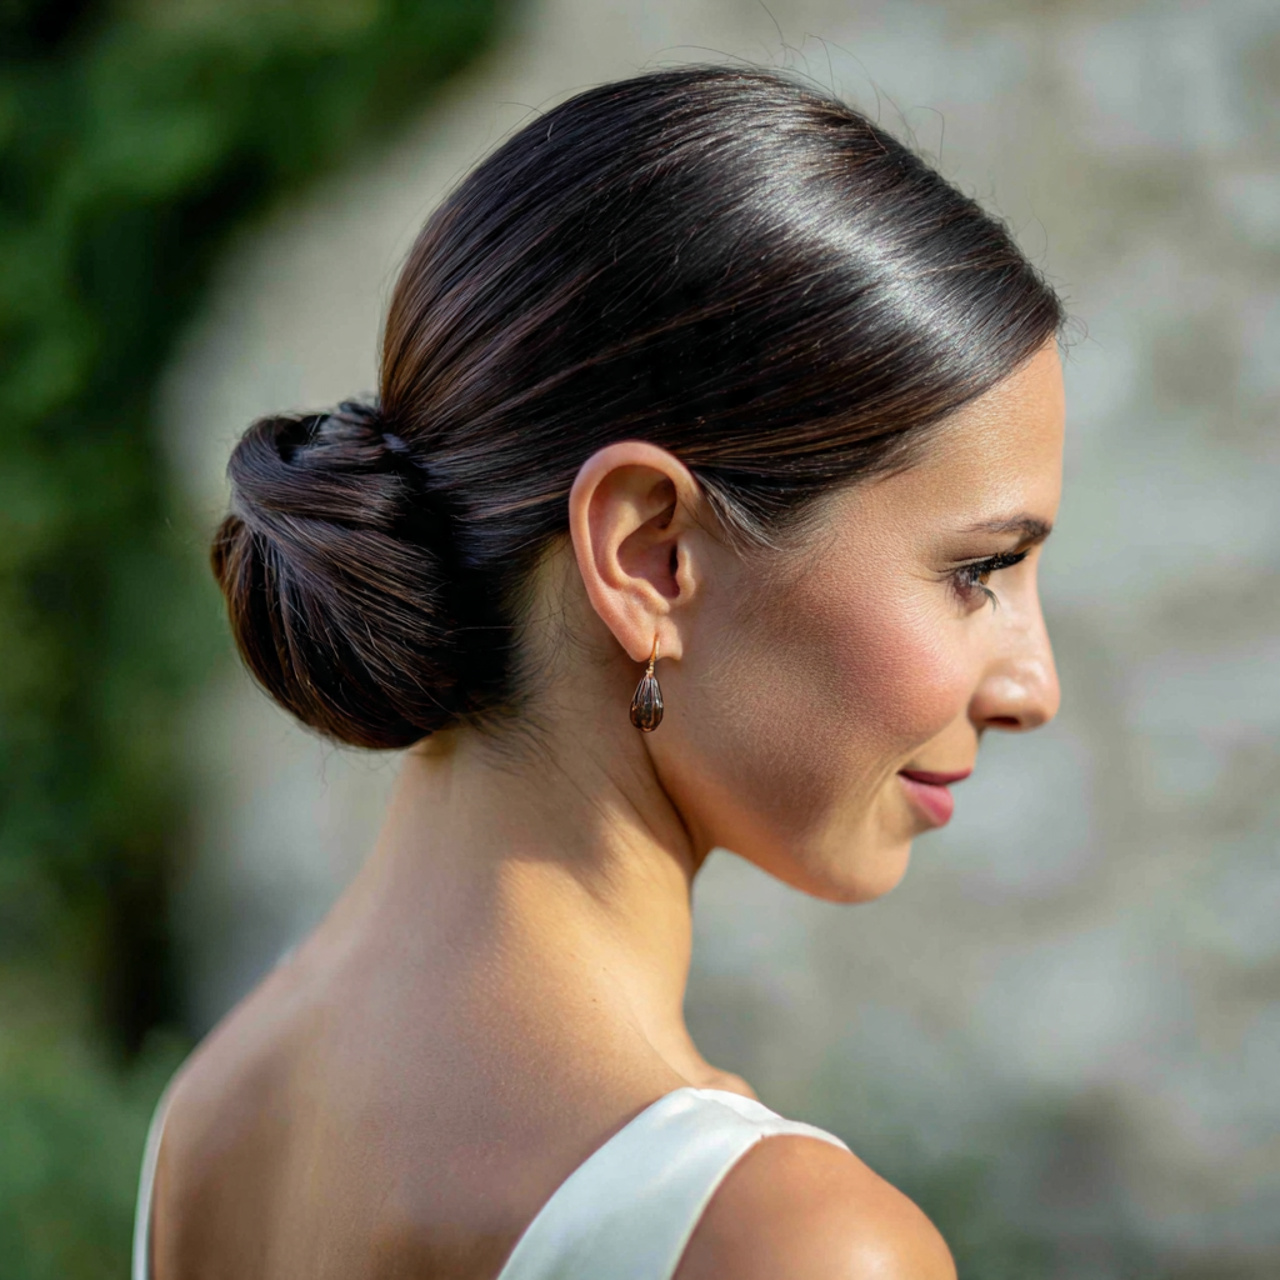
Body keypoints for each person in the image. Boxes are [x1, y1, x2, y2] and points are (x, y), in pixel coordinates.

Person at [133, 65, 1066, 1279]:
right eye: (977, 569)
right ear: (648, 555)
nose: (1031, 686)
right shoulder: (787, 1244)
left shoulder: (206, 1124)